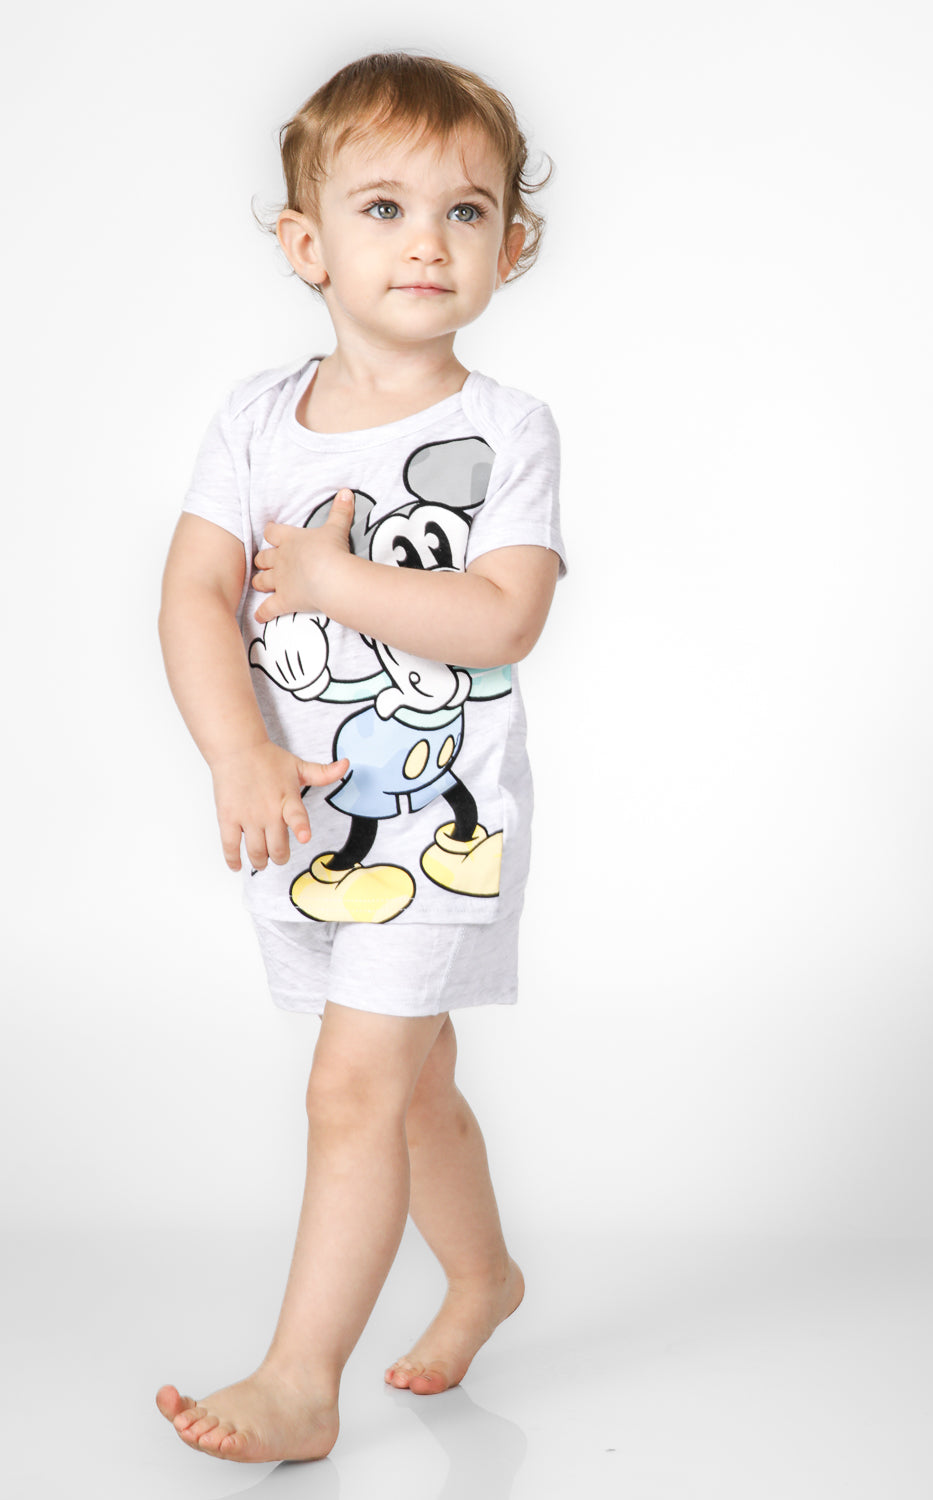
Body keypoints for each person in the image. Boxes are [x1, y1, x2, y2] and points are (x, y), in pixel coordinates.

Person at [154, 51, 566, 1464]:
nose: (426, 242)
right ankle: (484, 1277)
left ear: (511, 246)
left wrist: (333, 580)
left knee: (351, 1089)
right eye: (384, 207)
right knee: (417, 1084)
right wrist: (235, 751)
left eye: (466, 211)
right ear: (307, 243)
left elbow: (503, 614)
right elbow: (194, 593)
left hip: (441, 827)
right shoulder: (252, 422)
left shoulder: (503, 430)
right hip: (307, 824)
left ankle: (300, 1379)